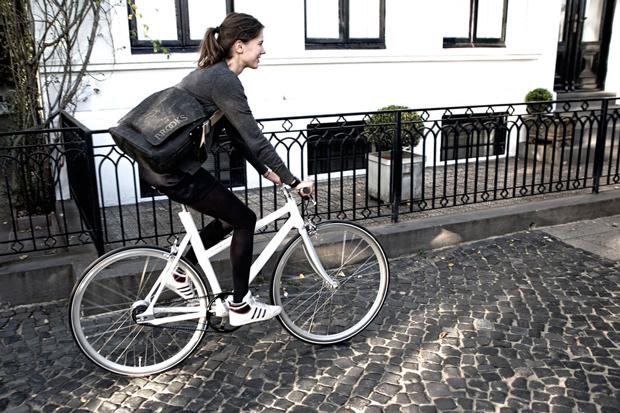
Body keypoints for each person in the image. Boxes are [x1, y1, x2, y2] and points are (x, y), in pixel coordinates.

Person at [139, 12, 314, 326]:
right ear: (239, 46)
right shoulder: (224, 81)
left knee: (228, 217)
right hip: (175, 171)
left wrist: (268, 173)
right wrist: (292, 179)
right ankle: (240, 305)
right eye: (260, 43)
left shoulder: (213, 75)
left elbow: (238, 137)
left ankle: (181, 270)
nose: (263, 50)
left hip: (168, 167)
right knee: (245, 218)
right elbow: (254, 137)